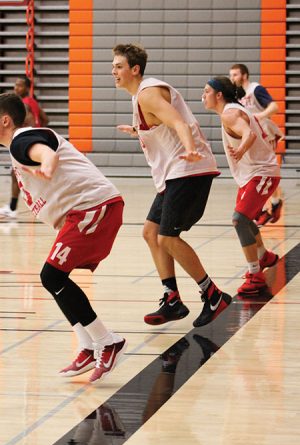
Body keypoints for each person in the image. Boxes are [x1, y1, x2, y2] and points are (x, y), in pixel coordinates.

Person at [0, 92, 126, 382]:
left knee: (52, 277)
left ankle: (108, 341)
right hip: (84, 212)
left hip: (92, 208)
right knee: (54, 279)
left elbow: (45, 153)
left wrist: (47, 163)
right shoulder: (19, 143)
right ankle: (87, 343)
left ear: (5, 120)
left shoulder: (21, 140)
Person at [112, 43, 232, 327]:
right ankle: (172, 299)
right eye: (113, 66)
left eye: (118, 66)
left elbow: (179, 123)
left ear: (135, 69)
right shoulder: (142, 97)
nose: (113, 71)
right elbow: (161, 125)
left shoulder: (148, 94)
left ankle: (213, 295)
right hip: (175, 173)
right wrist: (137, 131)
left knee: (167, 238)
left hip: (189, 168)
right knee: (151, 233)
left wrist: (190, 148)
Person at [202, 76, 280, 296]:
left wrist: (243, 148)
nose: (202, 94)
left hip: (262, 173)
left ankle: (255, 274)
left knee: (239, 220)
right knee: (245, 220)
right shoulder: (232, 110)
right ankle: (264, 256)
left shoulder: (230, 113)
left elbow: (249, 134)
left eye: (206, 91)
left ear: (219, 95)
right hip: (251, 175)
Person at [229, 64, 284, 226]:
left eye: (235, 75)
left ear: (244, 76)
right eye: (230, 75)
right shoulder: (237, 96)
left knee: (264, 170)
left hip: (265, 132)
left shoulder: (255, 89)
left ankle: (271, 204)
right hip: (252, 135)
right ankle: (270, 204)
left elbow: (274, 107)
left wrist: (258, 116)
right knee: (252, 170)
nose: (232, 78)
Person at [0, 76, 49, 219]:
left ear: (27, 88)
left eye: (20, 85)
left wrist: (29, 135)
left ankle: (12, 208)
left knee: (17, 175)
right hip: (33, 142)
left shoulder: (24, 103)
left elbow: (30, 121)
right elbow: (45, 118)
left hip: (27, 144)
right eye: (15, 85)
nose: (16, 88)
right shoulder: (33, 102)